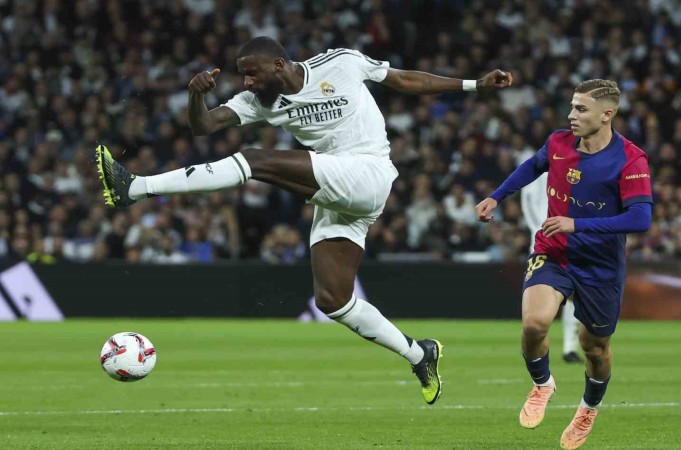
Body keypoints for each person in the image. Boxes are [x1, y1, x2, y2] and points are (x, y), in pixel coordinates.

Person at [96, 36, 513, 405]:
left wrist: (474, 85)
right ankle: (420, 354)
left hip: (368, 172)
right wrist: (195, 96)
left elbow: (405, 80)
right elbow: (204, 126)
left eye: (252, 74)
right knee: (333, 300)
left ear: (278, 64)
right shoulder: (257, 102)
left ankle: (136, 188)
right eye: (242, 76)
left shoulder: (341, 63)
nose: (247, 83)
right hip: (337, 187)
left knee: (255, 161)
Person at [476, 79, 652, 449]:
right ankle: (542, 384)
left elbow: (640, 219)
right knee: (534, 323)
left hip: (601, 265)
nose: (571, 115)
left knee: (594, 348)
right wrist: (497, 196)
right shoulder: (558, 142)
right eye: (572, 106)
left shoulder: (630, 159)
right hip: (554, 252)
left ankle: (588, 408)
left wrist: (577, 223)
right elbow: (533, 166)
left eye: (581, 109)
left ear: (606, 115)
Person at [520, 171, 583, 364]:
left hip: (570, 241)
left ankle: (569, 347)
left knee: (574, 294)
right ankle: (538, 352)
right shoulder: (539, 170)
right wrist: (540, 230)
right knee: (540, 298)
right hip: (543, 244)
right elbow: (528, 203)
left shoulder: (575, 168)